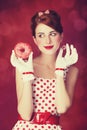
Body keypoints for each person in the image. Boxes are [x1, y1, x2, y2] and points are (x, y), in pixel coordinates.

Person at [10, 9, 79, 130]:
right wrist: (27, 74)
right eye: (41, 35)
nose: (47, 41)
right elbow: (25, 115)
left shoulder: (72, 71)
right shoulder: (24, 67)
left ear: (61, 36)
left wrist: (59, 71)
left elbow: (62, 108)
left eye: (52, 34)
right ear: (35, 40)